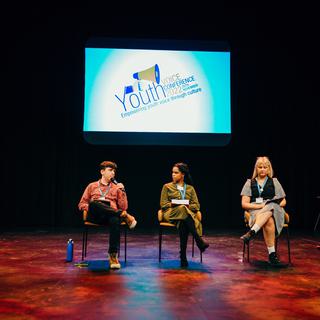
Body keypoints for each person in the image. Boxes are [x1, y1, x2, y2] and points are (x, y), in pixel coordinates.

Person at [78, 161, 137, 269]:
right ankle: (126, 216)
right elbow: (81, 204)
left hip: (110, 217)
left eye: (114, 171)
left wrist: (122, 191)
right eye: (110, 170)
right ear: (102, 172)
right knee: (94, 203)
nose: (113, 173)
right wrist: (91, 207)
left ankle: (113, 255)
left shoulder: (116, 187)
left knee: (115, 219)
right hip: (95, 216)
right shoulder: (92, 186)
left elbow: (124, 208)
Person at [160, 162, 209, 267]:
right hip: (170, 213)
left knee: (183, 221)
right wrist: (173, 203)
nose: (173, 174)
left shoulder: (190, 189)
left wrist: (187, 205)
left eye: (176, 173)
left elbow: (196, 205)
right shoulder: (167, 187)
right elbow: (163, 204)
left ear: (182, 174)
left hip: (185, 215)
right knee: (182, 209)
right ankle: (198, 240)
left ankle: (183, 256)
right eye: (172, 172)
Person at [240, 156, 286, 266]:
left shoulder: (274, 182)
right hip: (257, 211)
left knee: (271, 206)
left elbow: (283, 201)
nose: (262, 169)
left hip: (275, 210)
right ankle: (272, 256)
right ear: (256, 169)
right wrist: (261, 206)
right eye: (260, 167)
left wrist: (270, 205)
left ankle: (252, 232)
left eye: (265, 167)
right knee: (269, 219)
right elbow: (244, 204)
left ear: (269, 169)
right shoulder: (249, 183)